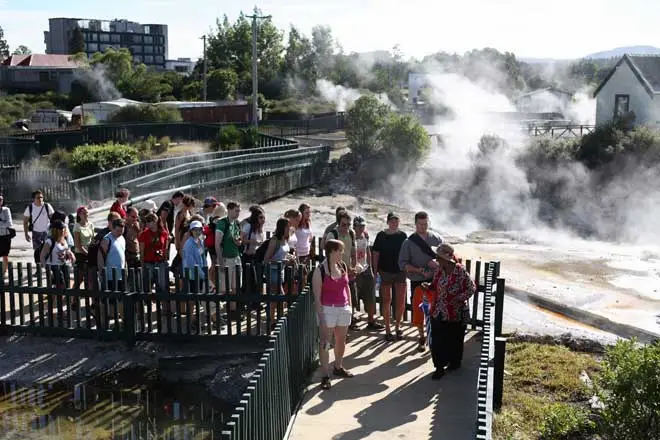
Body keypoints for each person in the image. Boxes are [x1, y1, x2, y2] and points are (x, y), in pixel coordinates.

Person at [422, 243, 475, 380]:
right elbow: (435, 285)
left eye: (438, 257)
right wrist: (429, 286)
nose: (436, 259)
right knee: (438, 340)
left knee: (454, 339)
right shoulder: (439, 270)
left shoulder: (460, 271)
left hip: (455, 312)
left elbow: (471, 288)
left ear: (446, 259)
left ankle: (454, 362)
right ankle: (439, 367)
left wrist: (458, 299)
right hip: (438, 310)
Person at [312, 238, 355, 391]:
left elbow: (347, 287)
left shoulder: (342, 266)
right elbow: (317, 297)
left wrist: (349, 306)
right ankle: (325, 375)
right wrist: (322, 318)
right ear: (331, 252)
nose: (342, 254)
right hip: (327, 309)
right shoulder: (320, 271)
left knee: (341, 340)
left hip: (343, 308)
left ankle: (338, 366)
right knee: (325, 342)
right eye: (339, 251)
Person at [399, 211, 443, 352]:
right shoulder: (408, 243)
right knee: (419, 310)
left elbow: (445, 256)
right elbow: (403, 264)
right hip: (418, 281)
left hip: (435, 279)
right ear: (415, 224)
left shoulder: (436, 238)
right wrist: (418, 270)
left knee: (435, 308)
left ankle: (434, 337)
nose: (423, 227)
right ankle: (421, 337)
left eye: (425, 224)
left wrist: (435, 263)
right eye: (420, 224)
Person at [372, 212, 407, 342]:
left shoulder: (403, 236)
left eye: (396, 221)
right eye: (392, 221)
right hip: (385, 271)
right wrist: (375, 271)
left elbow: (407, 253)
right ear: (387, 222)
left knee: (401, 301)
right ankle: (387, 329)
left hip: (400, 271)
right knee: (386, 300)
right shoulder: (381, 235)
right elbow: (375, 254)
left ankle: (398, 327)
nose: (394, 223)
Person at [325, 211, 358, 329]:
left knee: (351, 295)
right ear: (338, 223)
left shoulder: (351, 234)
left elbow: (353, 252)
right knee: (338, 297)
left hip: (348, 270)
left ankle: (350, 321)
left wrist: (353, 267)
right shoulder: (332, 235)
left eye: (349, 225)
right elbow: (329, 256)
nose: (346, 227)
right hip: (336, 272)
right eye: (344, 225)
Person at [353, 216, 383, 330]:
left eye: (363, 226)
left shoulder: (365, 235)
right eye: (359, 226)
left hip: (365, 268)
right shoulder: (351, 236)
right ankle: (352, 320)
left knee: (370, 295)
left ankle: (371, 320)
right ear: (354, 226)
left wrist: (370, 267)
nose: (361, 228)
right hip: (355, 270)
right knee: (354, 295)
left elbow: (368, 252)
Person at [264, 217, 296, 324]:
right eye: (287, 227)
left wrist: (290, 257)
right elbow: (266, 259)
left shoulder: (285, 239)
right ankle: (276, 320)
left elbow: (283, 253)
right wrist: (283, 261)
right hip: (273, 270)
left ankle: (272, 319)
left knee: (275, 297)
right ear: (282, 227)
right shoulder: (275, 240)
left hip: (280, 270)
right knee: (279, 296)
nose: (289, 228)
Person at [215, 201, 243, 304]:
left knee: (236, 287)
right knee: (224, 289)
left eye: (239, 211)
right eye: (236, 211)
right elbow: (217, 244)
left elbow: (239, 240)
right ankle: (218, 310)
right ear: (229, 210)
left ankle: (233, 310)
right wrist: (221, 261)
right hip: (226, 258)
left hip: (236, 257)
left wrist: (238, 242)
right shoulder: (222, 223)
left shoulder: (236, 223)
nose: (238, 213)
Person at [139, 212, 170, 294]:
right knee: (148, 286)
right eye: (146, 221)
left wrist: (166, 260)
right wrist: (142, 265)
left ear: (155, 221)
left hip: (161, 262)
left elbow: (166, 249)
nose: (147, 223)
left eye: (149, 221)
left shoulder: (164, 233)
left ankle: (163, 305)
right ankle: (148, 304)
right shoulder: (144, 234)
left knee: (162, 286)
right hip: (149, 262)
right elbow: (142, 252)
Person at [23, 190, 54, 264]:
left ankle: (48, 268)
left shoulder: (47, 206)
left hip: (47, 232)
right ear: (34, 199)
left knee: (48, 250)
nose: (40, 199)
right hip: (36, 232)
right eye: (38, 198)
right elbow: (25, 222)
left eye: (41, 197)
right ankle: (38, 269)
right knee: (37, 251)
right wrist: (26, 234)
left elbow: (53, 219)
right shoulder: (30, 208)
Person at [99, 218, 127, 291]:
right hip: (110, 277)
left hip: (121, 275)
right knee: (110, 300)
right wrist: (102, 273)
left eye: (122, 231)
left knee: (121, 299)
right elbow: (100, 257)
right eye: (118, 231)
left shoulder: (122, 238)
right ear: (112, 228)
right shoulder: (107, 240)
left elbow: (123, 256)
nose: (120, 233)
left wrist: (125, 269)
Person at [72, 206, 94, 289]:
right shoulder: (77, 226)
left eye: (87, 213)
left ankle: (92, 299)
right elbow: (78, 245)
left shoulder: (91, 225)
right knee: (79, 278)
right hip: (80, 255)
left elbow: (92, 240)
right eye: (83, 213)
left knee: (91, 277)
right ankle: (73, 298)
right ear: (79, 215)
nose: (85, 215)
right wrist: (87, 253)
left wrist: (92, 252)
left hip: (89, 254)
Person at [182, 220, 207, 292]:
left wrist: (204, 271)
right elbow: (191, 263)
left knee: (198, 296)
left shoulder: (201, 241)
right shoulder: (188, 244)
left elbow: (203, 257)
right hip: (191, 276)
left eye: (199, 229)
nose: (197, 232)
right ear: (191, 231)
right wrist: (203, 275)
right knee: (192, 298)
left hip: (199, 274)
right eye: (194, 230)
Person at [0, 194, 13, 280]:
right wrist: (2, 223)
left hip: (5, 235)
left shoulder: (6, 210)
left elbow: (9, 223)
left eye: (0, 199)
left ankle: (5, 272)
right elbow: (5, 223)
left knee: (5, 255)